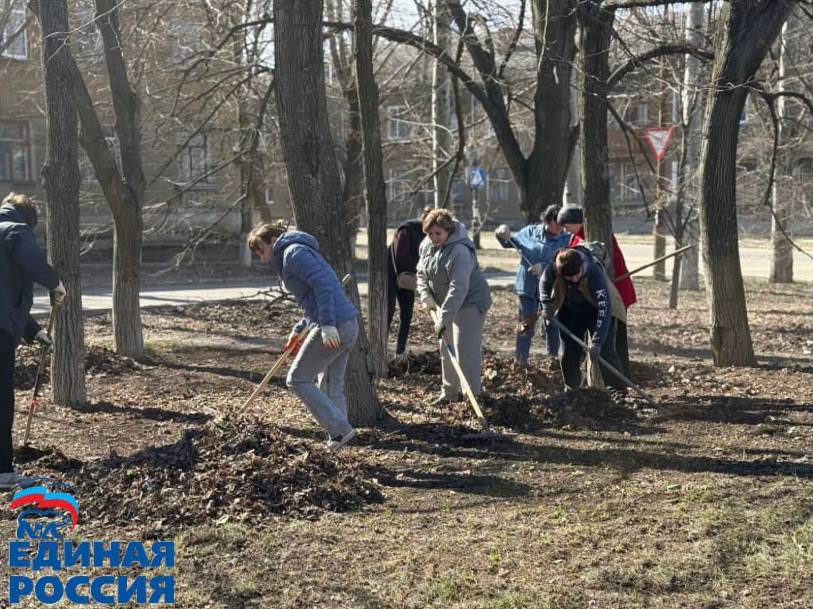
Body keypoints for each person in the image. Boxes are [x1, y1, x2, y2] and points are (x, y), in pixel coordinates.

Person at [247, 223, 359, 452]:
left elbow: (325, 286)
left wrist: (327, 325)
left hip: (335, 324)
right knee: (330, 384)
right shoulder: (295, 251)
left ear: (272, 241)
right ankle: (341, 443)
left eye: (261, 249)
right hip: (346, 323)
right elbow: (312, 298)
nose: (261, 257)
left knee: (297, 379)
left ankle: (340, 429)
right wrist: (299, 328)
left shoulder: (293, 254)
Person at [0, 193, 66, 490]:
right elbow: (27, 258)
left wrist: (33, 330)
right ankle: (2, 472)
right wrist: (55, 283)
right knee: (1, 400)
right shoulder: (16, 228)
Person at [416, 209, 492, 405]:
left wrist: (445, 317)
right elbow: (421, 273)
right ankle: (449, 393)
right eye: (430, 233)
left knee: (465, 350)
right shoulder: (426, 245)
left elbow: (459, 288)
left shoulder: (460, 251)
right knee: (446, 347)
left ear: (448, 231)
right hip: (443, 303)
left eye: (438, 234)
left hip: (470, 302)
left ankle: (472, 396)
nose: (433, 238)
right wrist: (426, 296)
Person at [557, 206, 637, 376]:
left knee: (612, 342)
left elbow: (611, 265)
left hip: (614, 293)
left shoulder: (585, 240)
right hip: (590, 298)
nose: (564, 229)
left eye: (566, 225)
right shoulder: (575, 239)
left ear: (576, 223)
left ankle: (621, 379)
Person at [539, 246, 625, 394]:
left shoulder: (593, 272)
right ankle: (572, 389)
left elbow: (604, 309)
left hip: (596, 310)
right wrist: (546, 304)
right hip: (570, 310)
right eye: (569, 277)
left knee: (605, 350)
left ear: (581, 267)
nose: (574, 279)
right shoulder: (554, 268)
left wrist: (597, 341)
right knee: (568, 351)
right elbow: (544, 284)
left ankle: (618, 390)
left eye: (576, 275)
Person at [495, 205, 571, 366]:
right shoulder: (530, 232)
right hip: (528, 287)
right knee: (525, 324)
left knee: (553, 323)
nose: (560, 227)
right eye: (557, 223)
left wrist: (544, 267)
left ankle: (554, 360)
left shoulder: (566, 238)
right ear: (546, 220)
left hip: (552, 288)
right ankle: (520, 361)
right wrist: (502, 234)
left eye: (562, 224)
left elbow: (567, 261)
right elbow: (510, 242)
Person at [387, 207, 432, 360]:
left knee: (407, 314)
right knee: (388, 312)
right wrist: (422, 264)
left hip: (409, 277)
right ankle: (380, 347)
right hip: (391, 274)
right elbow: (400, 256)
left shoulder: (432, 235)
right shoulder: (407, 229)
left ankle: (400, 352)